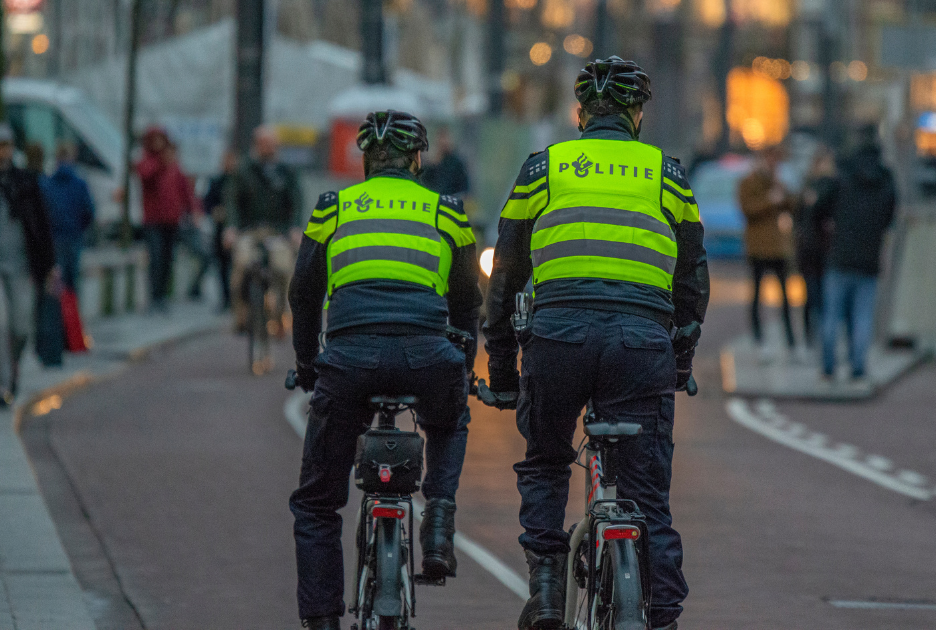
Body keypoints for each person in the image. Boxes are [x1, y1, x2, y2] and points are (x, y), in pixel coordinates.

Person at [483, 56, 709, 630]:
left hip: (558, 337)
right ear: (636, 115)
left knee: (547, 460)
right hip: (640, 344)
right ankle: (661, 619)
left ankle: (545, 591)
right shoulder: (668, 175)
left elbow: (505, 279)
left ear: (581, 113)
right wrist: (679, 361)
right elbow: (691, 282)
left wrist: (506, 375)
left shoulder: (543, 170)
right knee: (647, 494)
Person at [287, 111, 482, 630]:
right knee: (449, 419)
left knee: (317, 504)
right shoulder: (447, 210)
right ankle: (438, 517)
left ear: (366, 160)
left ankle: (323, 620)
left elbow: (303, 294)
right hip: (427, 355)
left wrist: (308, 365)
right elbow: (467, 304)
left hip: (349, 360)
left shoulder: (333, 207)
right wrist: (462, 369)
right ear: (417, 160)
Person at [815, 125, 896, 382]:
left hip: (840, 255)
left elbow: (819, 209)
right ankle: (858, 366)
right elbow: (888, 218)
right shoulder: (886, 180)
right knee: (862, 317)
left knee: (831, 316)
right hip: (869, 259)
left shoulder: (843, 176)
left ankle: (828, 367)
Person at [0, 125, 56, 407]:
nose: (3, 151)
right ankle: (1, 385)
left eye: (7, 145)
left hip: (23, 265)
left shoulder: (27, 182)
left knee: (21, 326)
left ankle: (12, 370)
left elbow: (42, 224)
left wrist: (50, 264)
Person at [225, 125, 302, 331]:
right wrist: (231, 228)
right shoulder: (243, 170)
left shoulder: (287, 172)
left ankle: (281, 314)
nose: (268, 148)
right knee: (241, 264)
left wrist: (295, 228)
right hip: (249, 231)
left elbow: (296, 202)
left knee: (283, 268)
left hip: (278, 231)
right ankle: (240, 313)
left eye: (271, 144)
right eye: (263, 144)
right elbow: (232, 201)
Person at [738, 144, 796, 358]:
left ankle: (791, 341)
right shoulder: (749, 182)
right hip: (758, 248)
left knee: (785, 298)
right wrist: (770, 201)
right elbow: (747, 209)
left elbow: (792, 204)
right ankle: (758, 340)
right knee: (756, 296)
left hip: (779, 249)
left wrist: (783, 195)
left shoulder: (777, 183)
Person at [135, 128, 195, 312]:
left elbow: (185, 190)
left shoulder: (174, 165)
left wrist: (193, 210)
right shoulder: (148, 161)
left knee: (168, 260)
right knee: (156, 259)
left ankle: (162, 297)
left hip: (172, 220)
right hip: (153, 221)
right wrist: (161, 162)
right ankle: (154, 297)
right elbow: (145, 175)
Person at [796, 145, 837, 344]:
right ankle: (813, 334)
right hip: (815, 248)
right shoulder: (816, 186)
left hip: (816, 247)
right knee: (814, 293)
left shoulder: (819, 186)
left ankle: (815, 334)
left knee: (817, 293)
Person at [42, 143, 95, 292]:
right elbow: (89, 211)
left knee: (57, 280)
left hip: (55, 237)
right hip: (74, 235)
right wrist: (80, 228)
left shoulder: (47, 183)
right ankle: (71, 312)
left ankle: (58, 313)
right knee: (73, 280)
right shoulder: (80, 184)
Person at [201, 149, 236, 310]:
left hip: (236, 229)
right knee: (222, 265)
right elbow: (207, 203)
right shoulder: (216, 181)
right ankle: (225, 299)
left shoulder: (239, 180)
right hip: (220, 229)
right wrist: (215, 212)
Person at [420, 127, 471, 197]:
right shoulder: (433, 162)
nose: (443, 141)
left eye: (445, 138)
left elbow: (464, 187)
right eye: (441, 138)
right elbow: (426, 182)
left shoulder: (456, 162)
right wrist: (432, 165)